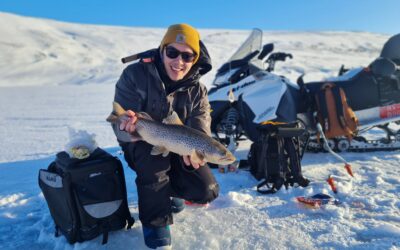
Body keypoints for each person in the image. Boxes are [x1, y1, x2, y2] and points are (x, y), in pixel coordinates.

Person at [111, 24, 219, 249]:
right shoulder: (134, 75)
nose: (179, 61)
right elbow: (120, 124)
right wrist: (126, 125)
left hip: (180, 145)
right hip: (143, 141)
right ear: (162, 50)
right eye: (173, 52)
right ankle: (156, 224)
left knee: (206, 189)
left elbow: (201, 127)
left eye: (187, 56)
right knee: (154, 164)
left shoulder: (198, 91)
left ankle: (171, 192)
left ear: (194, 59)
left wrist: (197, 153)